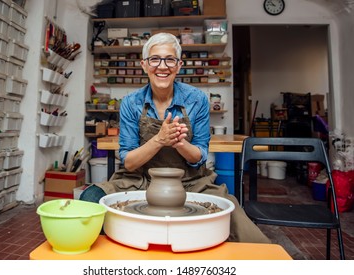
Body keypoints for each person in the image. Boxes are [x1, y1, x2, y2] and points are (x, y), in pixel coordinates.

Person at [81, 32, 271, 243]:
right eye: (155, 59)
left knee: (239, 223)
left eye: (169, 59)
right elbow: (129, 162)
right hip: (138, 179)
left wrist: (180, 143)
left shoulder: (196, 99)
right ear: (144, 65)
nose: (162, 67)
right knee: (89, 199)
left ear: (179, 65)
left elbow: (199, 155)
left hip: (190, 180)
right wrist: (159, 140)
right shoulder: (131, 103)